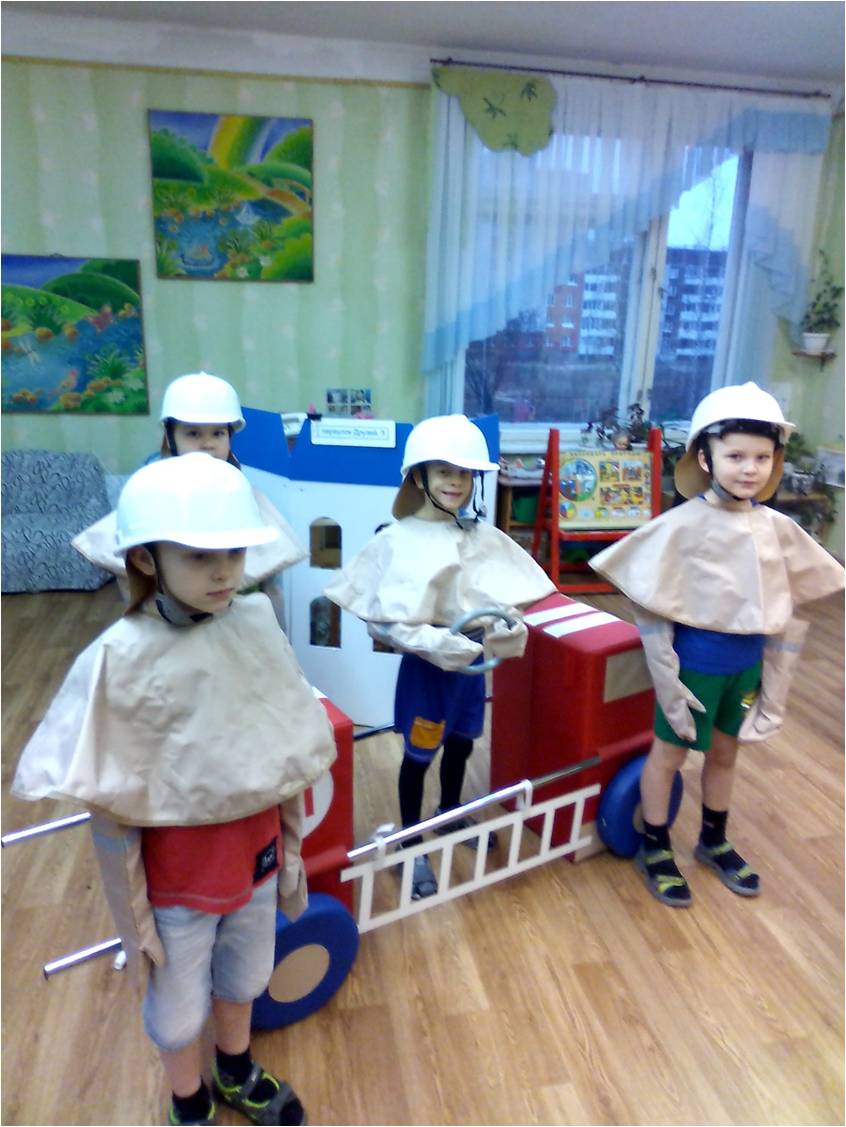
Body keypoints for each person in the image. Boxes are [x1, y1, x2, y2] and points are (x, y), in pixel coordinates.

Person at [13, 453, 338, 1126]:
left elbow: (283, 738)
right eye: (198, 556)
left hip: (255, 857)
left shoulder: (254, 623)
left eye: (234, 553)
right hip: (179, 882)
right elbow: (108, 787)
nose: (223, 572)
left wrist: (285, 847)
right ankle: (189, 1100)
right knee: (178, 1004)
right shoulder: (121, 654)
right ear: (145, 558)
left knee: (246, 974)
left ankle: (236, 1068)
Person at [590, 382, 844, 908]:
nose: (749, 469)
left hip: (744, 668)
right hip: (694, 667)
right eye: (735, 456)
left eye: (761, 458)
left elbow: (783, 610)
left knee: (726, 753)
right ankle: (656, 845)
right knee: (669, 753)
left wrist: (774, 688)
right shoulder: (682, 527)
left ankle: (713, 839)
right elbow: (652, 610)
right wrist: (668, 680)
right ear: (705, 458)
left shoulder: (775, 529)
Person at [325, 415, 555, 899]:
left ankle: (450, 812)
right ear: (419, 476)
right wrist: (432, 643)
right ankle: (411, 843)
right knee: (418, 756)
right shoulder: (394, 540)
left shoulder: (479, 535)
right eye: (444, 471)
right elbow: (380, 621)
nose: (456, 482)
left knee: (463, 743)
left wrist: (506, 627)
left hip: (471, 670)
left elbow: (500, 598)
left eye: (465, 473)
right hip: (428, 675)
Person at [72, 372, 306, 627]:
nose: (208, 444)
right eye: (193, 434)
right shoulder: (153, 491)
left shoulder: (239, 491)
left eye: (218, 433)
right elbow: (130, 572)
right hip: (170, 621)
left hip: (231, 619)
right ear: (170, 435)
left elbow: (270, 576)